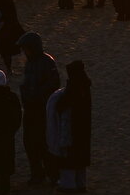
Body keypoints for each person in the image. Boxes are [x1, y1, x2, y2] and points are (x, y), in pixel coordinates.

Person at [18, 33, 61, 184]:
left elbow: (54, 84)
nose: (24, 52)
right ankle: (37, 173)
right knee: (29, 142)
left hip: (43, 110)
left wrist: (37, 94)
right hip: (30, 109)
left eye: (26, 48)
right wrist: (25, 93)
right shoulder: (30, 63)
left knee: (44, 143)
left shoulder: (47, 62)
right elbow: (27, 82)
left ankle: (52, 174)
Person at [47, 60, 91, 195]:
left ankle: (69, 185)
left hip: (71, 130)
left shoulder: (73, 89)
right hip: (83, 130)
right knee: (80, 159)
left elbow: (61, 106)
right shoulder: (85, 86)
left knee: (69, 159)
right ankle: (81, 184)